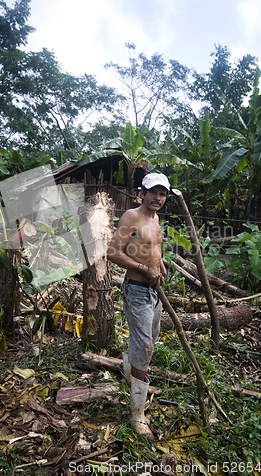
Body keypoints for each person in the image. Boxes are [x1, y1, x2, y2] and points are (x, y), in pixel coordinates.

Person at [107, 172, 170, 440]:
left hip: (154, 291)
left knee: (149, 340)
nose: (158, 198)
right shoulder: (132, 216)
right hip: (137, 291)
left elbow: (153, 247)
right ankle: (137, 415)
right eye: (153, 192)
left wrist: (160, 265)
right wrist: (144, 269)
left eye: (163, 193)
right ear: (141, 193)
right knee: (145, 347)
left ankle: (130, 371)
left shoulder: (155, 219)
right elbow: (112, 252)